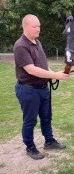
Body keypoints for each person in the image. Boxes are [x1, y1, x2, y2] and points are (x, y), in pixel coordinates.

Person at [13, 14, 70, 160]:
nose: (38, 29)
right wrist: (55, 76)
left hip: (43, 88)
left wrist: (55, 74)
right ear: (25, 27)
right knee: (30, 120)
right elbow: (31, 69)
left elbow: (43, 65)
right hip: (28, 89)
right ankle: (30, 147)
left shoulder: (37, 42)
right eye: (35, 26)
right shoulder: (21, 46)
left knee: (46, 117)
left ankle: (49, 141)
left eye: (39, 26)